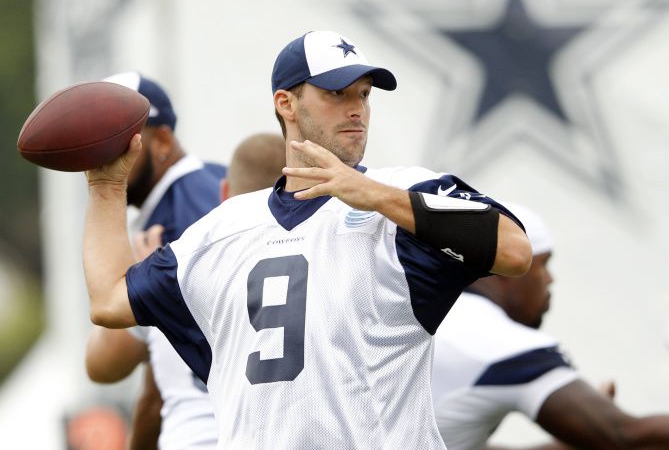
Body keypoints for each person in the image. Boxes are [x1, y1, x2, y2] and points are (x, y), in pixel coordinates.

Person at [81, 30, 532, 449]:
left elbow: (514, 251)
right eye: (336, 93)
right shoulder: (224, 227)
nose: (357, 108)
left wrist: (371, 193)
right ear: (286, 104)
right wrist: (106, 187)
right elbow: (109, 301)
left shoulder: (399, 193)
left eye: (364, 94)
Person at [431, 203, 669, 450]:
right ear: (507, 262)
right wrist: (599, 427)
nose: (550, 279)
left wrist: (576, 435)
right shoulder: (504, 345)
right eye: (543, 264)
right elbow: (624, 437)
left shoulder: (433, 311)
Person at [85, 71, 228, 450]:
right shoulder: (215, 180)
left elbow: (106, 364)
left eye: (117, 140)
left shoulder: (175, 223)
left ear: (162, 140)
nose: (101, 153)